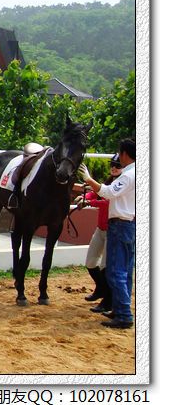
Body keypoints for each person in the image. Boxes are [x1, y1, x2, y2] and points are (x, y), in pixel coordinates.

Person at [79, 138, 136, 329]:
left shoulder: (128, 176)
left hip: (120, 225)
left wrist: (88, 179)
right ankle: (120, 309)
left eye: (120, 154)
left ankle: (124, 314)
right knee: (126, 271)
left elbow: (108, 192)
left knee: (116, 271)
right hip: (129, 225)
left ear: (125, 154)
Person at [74, 154, 122, 314]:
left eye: (118, 165)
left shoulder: (121, 184)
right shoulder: (109, 182)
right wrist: (85, 196)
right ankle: (101, 289)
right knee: (90, 262)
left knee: (105, 267)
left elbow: (107, 202)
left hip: (112, 229)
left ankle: (107, 301)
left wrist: (89, 202)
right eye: (113, 165)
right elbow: (95, 192)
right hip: (100, 229)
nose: (114, 168)